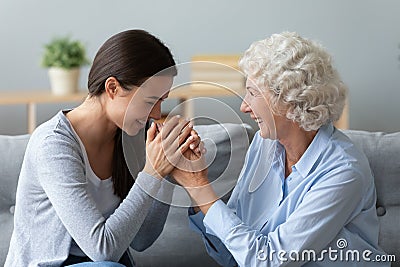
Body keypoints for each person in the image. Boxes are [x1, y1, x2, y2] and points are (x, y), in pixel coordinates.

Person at [171, 32, 389, 266]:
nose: (244, 106)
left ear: (290, 101)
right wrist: (195, 184)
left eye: (253, 93)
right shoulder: (265, 145)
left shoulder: (343, 172)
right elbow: (232, 252)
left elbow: (267, 260)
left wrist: (200, 188)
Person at [5, 29, 201, 267]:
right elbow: (103, 250)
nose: (157, 114)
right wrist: (153, 172)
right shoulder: (54, 144)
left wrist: (169, 168)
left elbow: (142, 240)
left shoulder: (134, 138)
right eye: (150, 101)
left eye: (162, 101)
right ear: (112, 88)